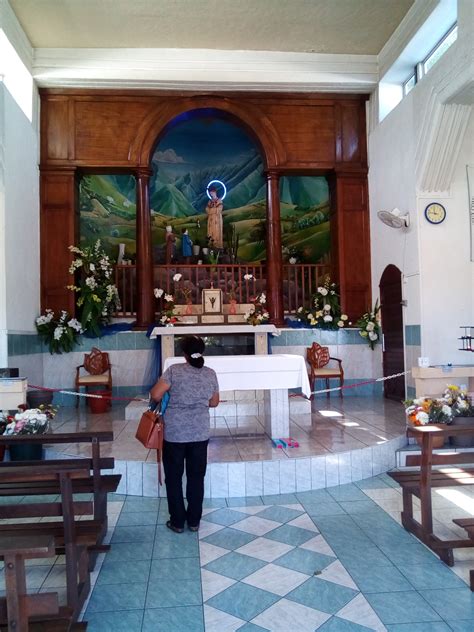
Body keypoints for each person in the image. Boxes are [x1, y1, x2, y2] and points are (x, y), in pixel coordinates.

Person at [150, 335, 219, 533]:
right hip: (200, 433)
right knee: (196, 477)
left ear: (184, 354)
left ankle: (178, 522)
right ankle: (194, 522)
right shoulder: (210, 374)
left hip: (175, 433)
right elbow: (214, 402)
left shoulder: (174, 371)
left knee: (174, 478)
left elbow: (155, 395)